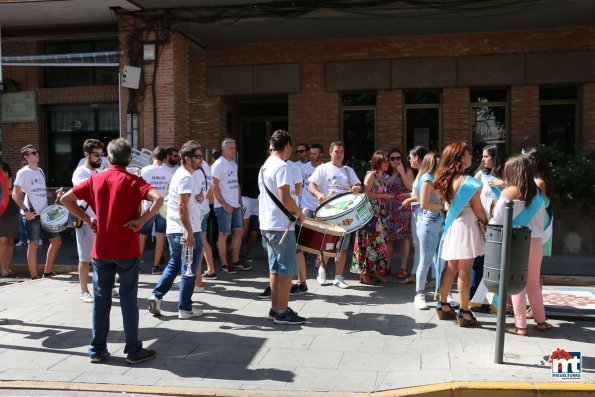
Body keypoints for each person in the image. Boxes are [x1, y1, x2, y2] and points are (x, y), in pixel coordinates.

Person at [60, 137, 163, 364]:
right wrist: (141, 219)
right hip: (127, 247)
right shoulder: (134, 180)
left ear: (109, 157)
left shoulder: (97, 179)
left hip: (102, 247)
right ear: (129, 159)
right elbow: (158, 198)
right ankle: (133, 350)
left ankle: (97, 349)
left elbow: (66, 199)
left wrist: (88, 219)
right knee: (128, 299)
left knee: (100, 299)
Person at [491, 154, 552, 336]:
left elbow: (497, 220)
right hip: (536, 242)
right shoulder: (539, 193)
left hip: (517, 242)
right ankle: (541, 321)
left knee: (517, 284)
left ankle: (520, 326)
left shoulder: (509, 193)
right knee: (533, 282)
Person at [148, 141, 205, 319]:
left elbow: (185, 202)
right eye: (197, 157)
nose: (201, 160)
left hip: (176, 229)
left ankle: (156, 296)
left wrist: (199, 197)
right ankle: (185, 308)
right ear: (187, 158)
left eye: (201, 156)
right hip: (186, 230)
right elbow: (182, 206)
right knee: (189, 269)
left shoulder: (183, 175)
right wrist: (189, 232)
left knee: (175, 264)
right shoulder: (186, 177)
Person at [434, 142, 487, 327]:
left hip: (452, 224)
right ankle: (464, 311)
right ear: (459, 158)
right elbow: (479, 211)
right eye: (467, 153)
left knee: (451, 266)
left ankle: (443, 305)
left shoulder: (445, 179)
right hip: (466, 225)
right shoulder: (467, 181)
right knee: (465, 270)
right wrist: (489, 222)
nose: (471, 156)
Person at [259, 130, 306, 325]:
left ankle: (274, 307)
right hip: (281, 225)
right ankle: (282, 310)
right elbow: (285, 197)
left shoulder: (264, 166)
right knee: (286, 269)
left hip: (267, 223)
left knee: (275, 269)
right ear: (287, 146)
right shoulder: (282, 167)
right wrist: (299, 214)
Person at [308, 140, 362, 289]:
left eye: (342, 152)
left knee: (343, 247)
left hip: (345, 214)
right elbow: (311, 185)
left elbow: (358, 185)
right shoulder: (323, 169)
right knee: (328, 245)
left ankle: (338, 277)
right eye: (336, 151)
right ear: (331, 152)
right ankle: (322, 270)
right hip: (328, 213)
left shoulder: (348, 170)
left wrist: (357, 187)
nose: (339, 155)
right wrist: (318, 194)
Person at [12, 145, 62, 279]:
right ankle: (34, 276)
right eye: (33, 153)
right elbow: (15, 195)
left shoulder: (40, 171)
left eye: (37, 152)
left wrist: (54, 194)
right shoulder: (23, 173)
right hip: (31, 215)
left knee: (56, 241)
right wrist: (26, 210)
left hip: (45, 214)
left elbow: (41, 192)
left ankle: (48, 271)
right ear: (26, 157)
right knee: (33, 244)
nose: (37, 154)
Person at [470, 144, 506, 308]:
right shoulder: (480, 175)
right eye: (482, 156)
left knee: (497, 264)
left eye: (486, 156)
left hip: (500, 226)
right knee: (479, 262)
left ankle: (499, 302)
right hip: (483, 225)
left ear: (495, 157)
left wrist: (503, 184)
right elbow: (470, 197)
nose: (483, 159)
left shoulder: (506, 176)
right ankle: (475, 299)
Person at [350, 151, 392, 284]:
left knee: (377, 244)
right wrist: (384, 196)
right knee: (366, 243)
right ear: (378, 162)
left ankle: (374, 271)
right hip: (370, 215)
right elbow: (365, 194)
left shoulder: (381, 176)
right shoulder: (371, 175)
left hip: (379, 214)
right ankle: (364, 273)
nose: (387, 163)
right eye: (385, 161)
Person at [71, 139, 105, 303]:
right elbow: (89, 193)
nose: (100, 158)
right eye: (96, 155)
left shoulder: (98, 173)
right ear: (86, 154)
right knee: (85, 258)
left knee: (103, 256)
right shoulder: (80, 173)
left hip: (100, 221)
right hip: (86, 221)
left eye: (101, 154)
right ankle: (84, 290)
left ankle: (105, 286)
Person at [212, 138, 250, 273]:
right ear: (223, 149)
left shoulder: (233, 164)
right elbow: (214, 185)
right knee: (224, 234)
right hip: (223, 206)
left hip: (235, 204)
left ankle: (235, 260)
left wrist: (239, 202)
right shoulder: (218, 164)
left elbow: (236, 184)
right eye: (231, 148)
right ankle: (223, 263)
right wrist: (223, 204)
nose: (233, 150)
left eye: (235, 148)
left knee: (238, 231)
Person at [411, 152, 444, 309]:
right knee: (426, 259)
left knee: (440, 259)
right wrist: (443, 207)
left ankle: (443, 293)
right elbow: (424, 204)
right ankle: (420, 294)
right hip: (430, 222)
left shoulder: (434, 179)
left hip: (439, 221)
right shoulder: (427, 180)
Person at [293, 143, 324, 294]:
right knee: (302, 235)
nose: (311, 156)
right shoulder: (303, 168)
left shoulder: (323, 169)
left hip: (320, 206)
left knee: (320, 234)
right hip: (305, 206)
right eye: (310, 153)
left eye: (314, 154)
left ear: (321, 155)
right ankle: (302, 259)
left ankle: (320, 259)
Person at [140, 146, 174, 275]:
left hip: (148, 206)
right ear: (165, 158)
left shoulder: (145, 170)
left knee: (142, 235)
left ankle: (136, 263)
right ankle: (156, 266)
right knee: (160, 235)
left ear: (153, 156)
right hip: (163, 206)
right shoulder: (170, 172)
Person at [384, 148, 415, 280]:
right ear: (388, 160)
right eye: (392, 158)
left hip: (403, 208)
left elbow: (412, 188)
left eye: (398, 158)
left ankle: (403, 267)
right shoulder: (385, 172)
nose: (396, 161)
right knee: (389, 239)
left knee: (403, 238)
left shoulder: (407, 171)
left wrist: (402, 173)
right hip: (388, 208)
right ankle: (387, 265)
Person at [400, 146, 428, 284]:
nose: (409, 160)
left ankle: (433, 279)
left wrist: (409, 199)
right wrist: (410, 195)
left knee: (427, 247)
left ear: (417, 157)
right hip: (418, 212)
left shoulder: (425, 173)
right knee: (418, 246)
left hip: (424, 213)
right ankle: (415, 274)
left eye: (410, 157)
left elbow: (427, 196)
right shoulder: (420, 172)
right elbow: (419, 193)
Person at [196, 159, 216, 285]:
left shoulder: (195, 170)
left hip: (198, 210)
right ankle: (211, 269)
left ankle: (197, 280)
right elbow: (210, 189)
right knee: (203, 240)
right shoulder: (206, 167)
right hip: (205, 208)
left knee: (198, 242)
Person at [0, 163, 19, 278]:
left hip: (12, 213)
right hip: (1, 214)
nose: (4, 174)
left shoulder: (15, 181)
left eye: (5, 171)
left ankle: (8, 267)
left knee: (10, 241)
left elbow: (21, 194)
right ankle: (2, 269)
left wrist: (14, 193)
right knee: (2, 241)